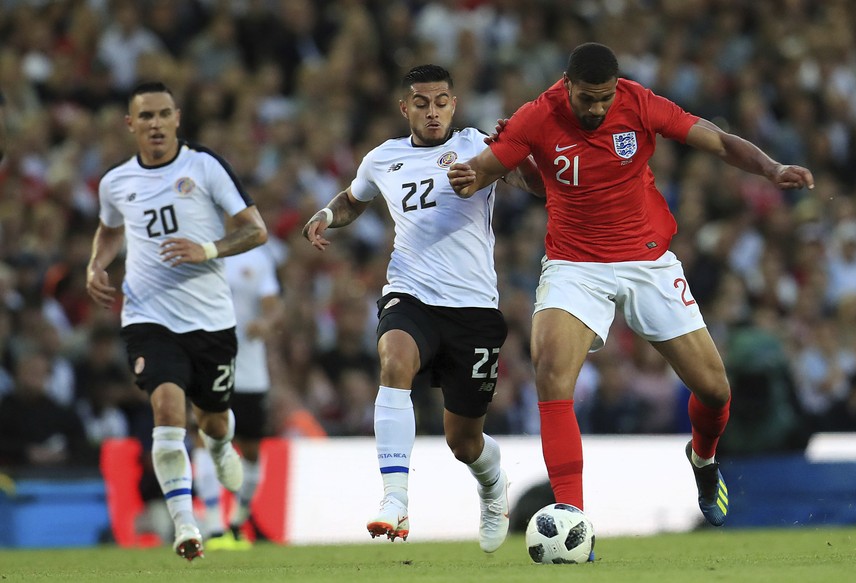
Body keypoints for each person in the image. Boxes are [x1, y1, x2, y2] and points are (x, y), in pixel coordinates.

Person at [448, 43, 815, 527]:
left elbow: (719, 141)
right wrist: (466, 176)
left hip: (648, 263)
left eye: (604, 98)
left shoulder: (640, 103)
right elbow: (492, 172)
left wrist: (771, 168)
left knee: (715, 392)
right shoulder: (536, 117)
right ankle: (572, 517)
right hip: (575, 265)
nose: (597, 108)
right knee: (551, 372)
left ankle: (703, 460)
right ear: (566, 84)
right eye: (587, 99)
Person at [302, 64, 541, 553]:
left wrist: (517, 155)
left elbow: (537, 188)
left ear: (453, 104)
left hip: (473, 307)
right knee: (394, 360)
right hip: (410, 292)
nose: (432, 111)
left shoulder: (480, 146)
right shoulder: (382, 159)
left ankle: (493, 485)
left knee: (464, 442)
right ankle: (395, 500)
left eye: (441, 102)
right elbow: (353, 199)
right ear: (405, 107)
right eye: (422, 102)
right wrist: (327, 214)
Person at [86, 81, 268, 560]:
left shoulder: (203, 166)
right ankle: (186, 524)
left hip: (210, 321)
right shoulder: (116, 182)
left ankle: (221, 446)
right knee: (168, 413)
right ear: (131, 125)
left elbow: (255, 229)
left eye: (163, 114)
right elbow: (108, 230)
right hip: (148, 317)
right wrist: (95, 263)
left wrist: (206, 249)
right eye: (145, 116)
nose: (155, 124)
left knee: (213, 422)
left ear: (177, 118)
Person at [192, 244, 283, 550]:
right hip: (209, 361)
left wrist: (267, 324)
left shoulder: (257, 258)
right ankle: (215, 526)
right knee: (207, 438)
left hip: (250, 370)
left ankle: (236, 522)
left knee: (252, 449)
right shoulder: (201, 250)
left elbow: (273, 305)